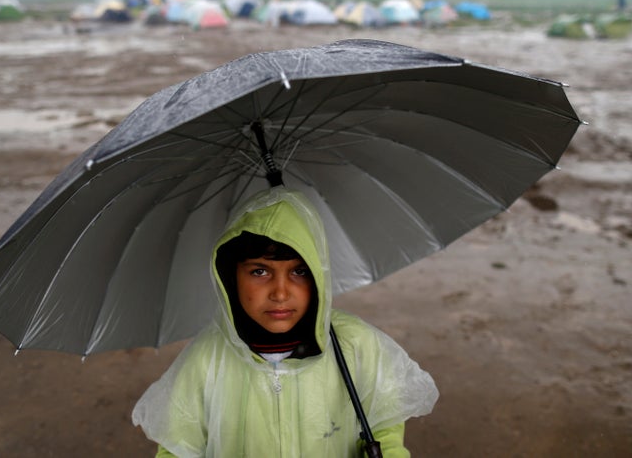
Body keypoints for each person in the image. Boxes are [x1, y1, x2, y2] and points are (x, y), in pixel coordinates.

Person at [132, 187, 438, 457]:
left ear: (319, 276)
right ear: (230, 276)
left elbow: (384, 424)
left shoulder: (355, 345)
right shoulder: (205, 360)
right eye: (260, 271)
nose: (280, 292)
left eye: (299, 271)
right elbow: (177, 448)